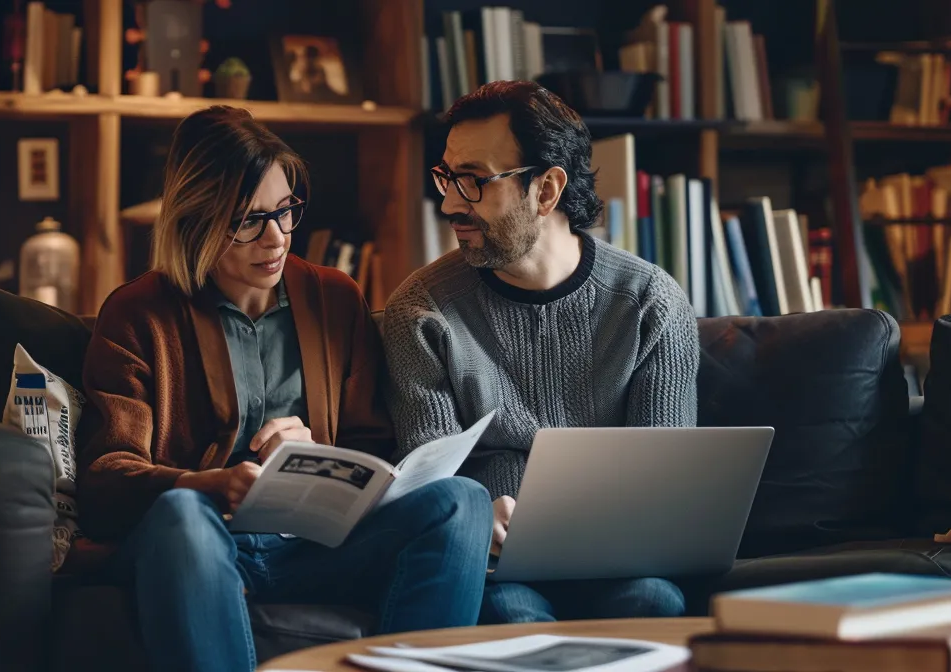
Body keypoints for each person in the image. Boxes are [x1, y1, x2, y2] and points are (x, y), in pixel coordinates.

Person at [77, 106, 494, 672]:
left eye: (285, 211)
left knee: (462, 501)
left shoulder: (335, 299)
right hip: (201, 543)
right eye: (249, 220)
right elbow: (105, 476)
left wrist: (319, 456)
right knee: (181, 515)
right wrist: (205, 484)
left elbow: (374, 448)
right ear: (197, 219)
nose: (277, 238)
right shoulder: (136, 314)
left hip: (314, 545)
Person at [383, 81, 700, 624]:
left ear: (548, 189)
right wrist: (480, 512)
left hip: (620, 559)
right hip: (499, 562)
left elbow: (664, 481)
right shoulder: (422, 309)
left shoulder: (651, 303)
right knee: (511, 616)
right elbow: (432, 476)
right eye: (447, 177)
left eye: (474, 181)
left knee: (655, 603)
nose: (449, 202)